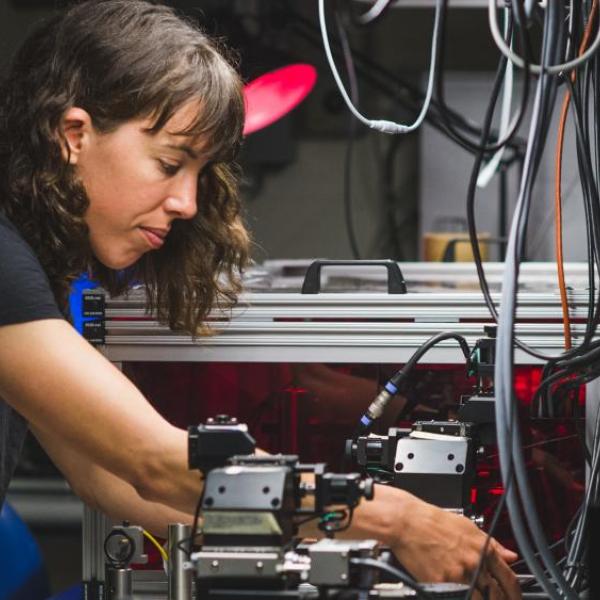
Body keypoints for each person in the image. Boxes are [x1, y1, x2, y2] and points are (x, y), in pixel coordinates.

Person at [0, 1, 520, 598]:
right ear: (74, 135)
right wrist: (395, 519)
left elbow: (116, 485)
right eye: (170, 164)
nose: (188, 204)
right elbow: (153, 460)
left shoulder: (32, 269)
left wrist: (335, 547)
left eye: (198, 173)